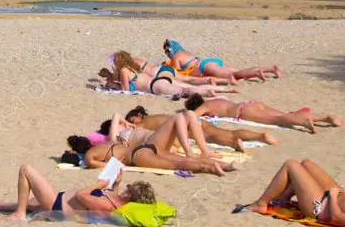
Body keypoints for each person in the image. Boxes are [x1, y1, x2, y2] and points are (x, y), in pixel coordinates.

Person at [69, 110, 239, 176]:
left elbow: (93, 163)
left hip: (139, 155)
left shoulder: (91, 154)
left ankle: (212, 168)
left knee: (177, 164)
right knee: (182, 159)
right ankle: (223, 165)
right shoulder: (110, 143)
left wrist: (116, 164)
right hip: (147, 146)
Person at [0, 163, 155, 221]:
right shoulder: (116, 199)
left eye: (128, 188)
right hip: (59, 201)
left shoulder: (109, 206)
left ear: (129, 195)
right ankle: (1, 205)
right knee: (32, 203)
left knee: (26, 170)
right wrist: (115, 184)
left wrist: (98, 185)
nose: (125, 188)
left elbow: (81, 195)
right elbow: (110, 195)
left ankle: (19, 214)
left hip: (56, 205)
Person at [121, 105, 279, 151]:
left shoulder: (141, 124)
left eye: (130, 119)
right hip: (192, 120)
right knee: (226, 131)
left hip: (185, 126)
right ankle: (260, 136)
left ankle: (233, 143)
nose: (130, 123)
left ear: (136, 117)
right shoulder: (154, 116)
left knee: (210, 137)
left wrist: (125, 123)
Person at [184, 93, 343, 135]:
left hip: (243, 112)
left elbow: (194, 116)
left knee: (278, 120)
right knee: (285, 114)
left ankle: (303, 122)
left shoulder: (205, 106)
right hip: (250, 104)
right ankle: (326, 118)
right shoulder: (215, 100)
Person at [100, 51, 238, 97]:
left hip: (157, 84)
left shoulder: (124, 70)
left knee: (186, 89)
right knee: (187, 82)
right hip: (161, 77)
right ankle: (225, 88)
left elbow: (126, 90)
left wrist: (112, 85)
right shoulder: (133, 66)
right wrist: (111, 77)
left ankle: (211, 92)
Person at [163, 39, 281, 84]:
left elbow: (178, 72)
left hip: (205, 66)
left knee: (235, 75)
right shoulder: (185, 52)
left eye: (167, 51)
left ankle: (257, 72)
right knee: (239, 71)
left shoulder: (176, 56)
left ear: (172, 49)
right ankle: (270, 69)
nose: (167, 54)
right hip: (211, 61)